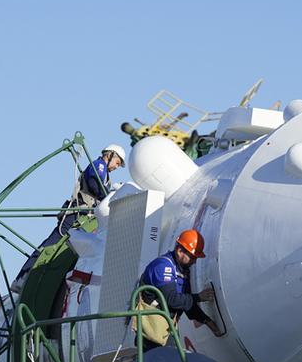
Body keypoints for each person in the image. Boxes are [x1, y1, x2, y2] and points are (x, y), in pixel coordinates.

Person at [15, 144, 128, 290]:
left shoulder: (106, 177)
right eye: (117, 163)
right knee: (52, 244)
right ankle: (23, 276)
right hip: (76, 214)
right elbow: (95, 184)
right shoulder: (99, 165)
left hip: (84, 216)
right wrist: (108, 198)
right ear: (110, 155)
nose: (116, 167)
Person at [136, 229, 219, 349]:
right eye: (192, 257)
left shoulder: (183, 270)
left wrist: (206, 321)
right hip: (151, 332)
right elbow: (172, 299)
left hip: (164, 329)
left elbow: (186, 302)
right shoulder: (163, 267)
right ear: (180, 251)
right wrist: (199, 297)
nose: (194, 262)